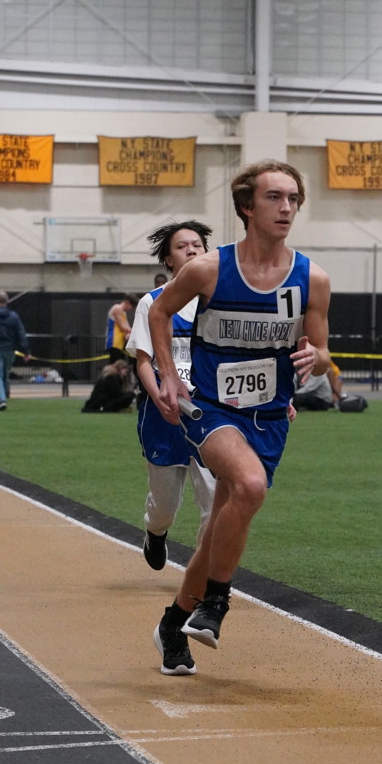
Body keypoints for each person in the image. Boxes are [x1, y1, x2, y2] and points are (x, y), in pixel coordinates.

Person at [148, 161, 331, 673]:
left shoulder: (312, 279)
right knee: (249, 486)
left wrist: (314, 358)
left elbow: (322, 352)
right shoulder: (209, 269)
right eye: (274, 197)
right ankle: (216, 602)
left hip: (270, 415)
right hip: (212, 408)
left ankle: (173, 624)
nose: (286, 208)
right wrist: (169, 376)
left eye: (293, 198)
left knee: (219, 528)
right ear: (247, 207)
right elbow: (159, 312)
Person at [127, 221, 216, 570]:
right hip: (165, 414)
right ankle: (156, 531)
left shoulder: (219, 303)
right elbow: (143, 361)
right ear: (168, 259)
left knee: (215, 501)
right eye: (182, 246)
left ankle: (206, 574)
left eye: (197, 244)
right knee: (165, 506)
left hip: (211, 414)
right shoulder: (152, 303)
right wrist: (159, 395)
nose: (191, 249)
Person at [105, 294, 139, 363]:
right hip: (113, 341)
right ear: (127, 302)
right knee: (115, 363)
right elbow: (123, 327)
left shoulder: (123, 313)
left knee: (120, 364)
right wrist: (136, 333)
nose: (130, 309)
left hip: (119, 342)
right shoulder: (117, 308)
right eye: (131, 306)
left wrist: (131, 333)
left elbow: (127, 327)